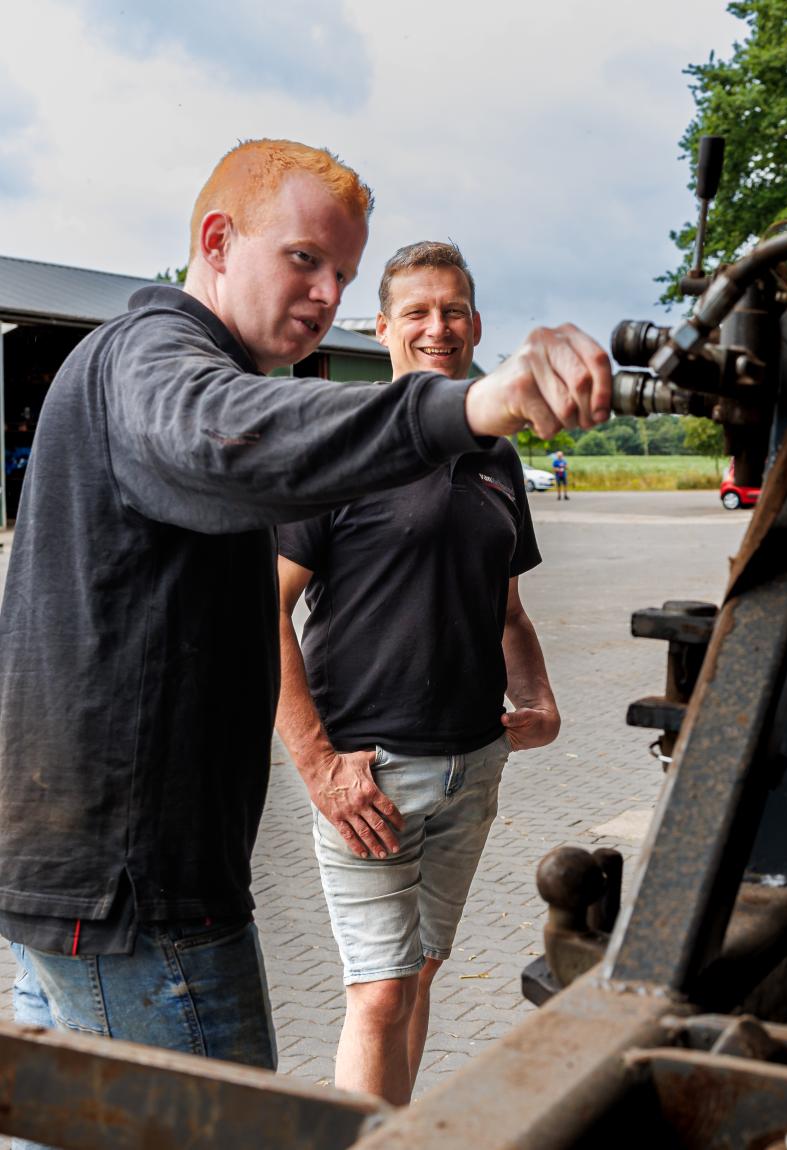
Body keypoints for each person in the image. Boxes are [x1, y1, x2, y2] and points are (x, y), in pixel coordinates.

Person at [0, 139, 610, 1139]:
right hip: (137, 897)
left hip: (83, 886)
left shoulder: (145, 365)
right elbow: (224, 431)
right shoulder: (152, 359)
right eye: (303, 260)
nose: (325, 295)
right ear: (216, 242)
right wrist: (472, 403)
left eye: (341, 274)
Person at [275, 241, 560, 1105]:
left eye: (454, 310)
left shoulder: (495, 454)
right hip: (370, 776)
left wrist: (538, 697)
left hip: (473, 765)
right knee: (379, 992)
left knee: (422, 972)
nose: (439, 327)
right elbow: (263, 609)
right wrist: (318, 763)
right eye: (418, 312)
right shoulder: (343, 445)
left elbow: (508, 611)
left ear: (476, 323)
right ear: (382, 328)